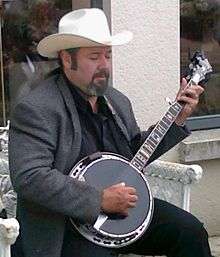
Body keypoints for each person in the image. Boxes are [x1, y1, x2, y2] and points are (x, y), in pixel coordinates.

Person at [9, 8, 212, 257]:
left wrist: (177, 119)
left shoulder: (116, 101)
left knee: (189, 231)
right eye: (94, 57)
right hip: (65, 227)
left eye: (108, 55)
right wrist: (98, 199)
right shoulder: (37, 108)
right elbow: (30, 177)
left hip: (120, 215)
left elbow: (135, 155)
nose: (105, 65)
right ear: (66, 59)